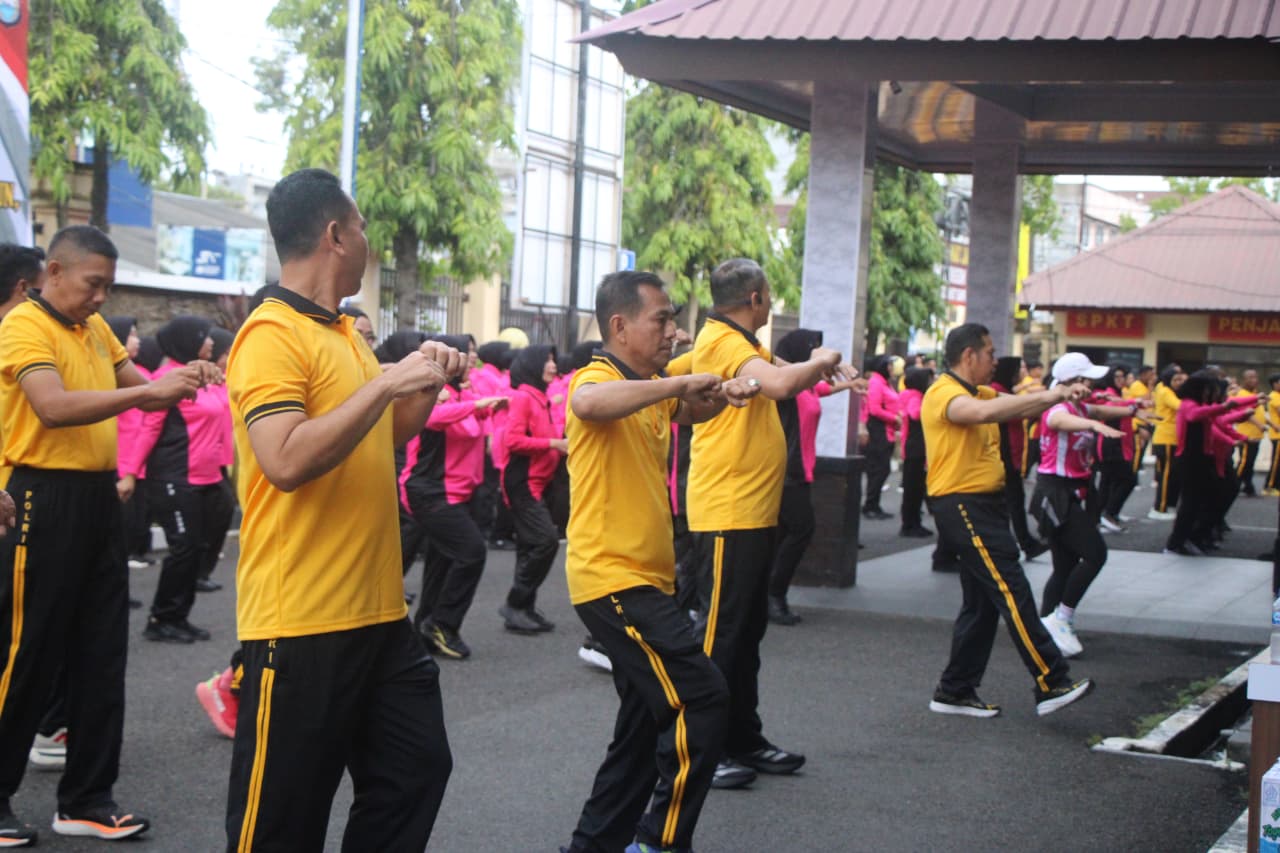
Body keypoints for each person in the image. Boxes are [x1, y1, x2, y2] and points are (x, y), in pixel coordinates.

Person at [224, 168, 458, 850]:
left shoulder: (344, 334)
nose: (367, 244)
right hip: (300, 621)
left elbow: (377, 435)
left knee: (416, 770)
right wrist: (387, 384)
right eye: (361, 230)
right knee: (280, 826)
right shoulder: (271, 334)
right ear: (335, 234)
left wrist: (426, 382)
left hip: (378, 616)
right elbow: (288, 458)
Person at [0, 225, 217, 843]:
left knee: (101, 650)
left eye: (108, 286)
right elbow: (53, 406)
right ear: (55, 271)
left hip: (96, 497)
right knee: (27, 650)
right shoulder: (23, 326)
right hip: (40, 493)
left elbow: (143, 398)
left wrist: (183, 380)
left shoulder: (91, 329)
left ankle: (87, 799)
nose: (101, 298)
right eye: (93, 284)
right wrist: (149, 390)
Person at [560, 270, 757, 853]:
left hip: (647, 581)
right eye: (663, 319)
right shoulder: (599, 378)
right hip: (614, 581)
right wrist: (676, 386)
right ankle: (660, 841)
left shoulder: (647, 386)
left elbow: (690, 411)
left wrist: (725, 395)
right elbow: (589, 403)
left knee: (642, 725)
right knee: (701, 696)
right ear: (619, 327)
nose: (675, 330)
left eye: (674, 319)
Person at [686, 258, 852, 789]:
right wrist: (821, 357)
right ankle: (700, 752)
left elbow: (779, 366)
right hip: (726, 510)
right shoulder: (722, 343)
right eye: (770, 294)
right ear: (756, 298)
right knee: (719, 639)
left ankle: (743, 738)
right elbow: (779, 384)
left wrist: (824, 368)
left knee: (746, 635)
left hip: (752, 511)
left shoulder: (742, 341)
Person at [924, 324, 1094, 719]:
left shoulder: (975, 390)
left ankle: (954, 690)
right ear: (969, 356)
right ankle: (1052, 680)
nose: (995, 361)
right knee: (1012, 590)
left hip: (983, 505)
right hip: (962, 505)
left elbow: (1015, 403)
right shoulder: (944, 394)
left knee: (982, 603)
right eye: (990, 353)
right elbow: (985, 412)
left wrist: (1060, 395)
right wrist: (1055, 393)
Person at [401, 333, 505, 659]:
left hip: (458, 493)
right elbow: (431, 419)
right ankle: (443, 624)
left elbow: (470, 424)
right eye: (465, 353)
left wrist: (486, 408)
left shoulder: (463, 391)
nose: (471, 358)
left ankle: (425, 628)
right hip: (429, 491)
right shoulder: (433, 390)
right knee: (472, 551)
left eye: (473, 353)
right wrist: (475, 406)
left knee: (442, 560)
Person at [1028, 354, 1133, 658]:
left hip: (1075, 492)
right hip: (1054, 493)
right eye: (1086, 379)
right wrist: (1094, 426)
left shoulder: (1081, 407)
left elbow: (1102, 409)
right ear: (1072, 382)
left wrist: (1135, 409)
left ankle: (1044, 629)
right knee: (1096, 554)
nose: (1091, 385)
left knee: (1065, 566)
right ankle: (1061, 618)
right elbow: (1058, 420)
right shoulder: (1058, 408)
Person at [767, 328, 863, 624]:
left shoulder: (806, 386)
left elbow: (821, 388)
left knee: (786, 533)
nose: (817, 353)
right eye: (812, 349)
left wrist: (849, 385)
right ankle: (773, 595)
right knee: (801, 529)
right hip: (787, 471)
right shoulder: (787, 386)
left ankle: (769, 595)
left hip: (802, 469)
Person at [499, 344, 567, 633]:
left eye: (553, 359)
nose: (553, 365)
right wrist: (554, 444)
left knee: (530, 545)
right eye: (548, 361)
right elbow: (512, 440)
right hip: (523, 481)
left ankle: (523, 608)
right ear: (533, 365)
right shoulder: (524, 398)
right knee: (545, 541)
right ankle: (515, 603)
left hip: (541, 481)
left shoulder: (542, 398)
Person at [1162, 371, 1256, 557]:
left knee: (1205, 500)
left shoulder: (1201, 405)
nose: (1209, 393)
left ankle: (1191, 538)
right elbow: (1198, 415)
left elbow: (1223, 414)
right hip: (1189, 460)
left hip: (1202, 459)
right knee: (1191, 504)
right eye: (1207, 390)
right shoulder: (1188, 405)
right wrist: (1228, 411)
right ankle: (1174, 544)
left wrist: (1252, 401)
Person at [991, 357, 1048, 560]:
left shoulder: (1005, 389)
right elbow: (1018, 410)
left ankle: (1020, 543)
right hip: (1004, 456)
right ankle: (1023, 543)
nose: (1022, 372)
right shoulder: (995, 390)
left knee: (1011, 502)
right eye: (1019, 368)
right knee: (1012, 502)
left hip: (1011, 455)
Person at [194, 326, 237, 593]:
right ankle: (195, 575)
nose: (229, 357)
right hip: (196, 466)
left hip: (220, 461)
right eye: (226, 353)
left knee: (222, 514)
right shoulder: (200, 381)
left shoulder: (224, 381)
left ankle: (202, 572)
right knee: (193, 533)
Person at [1095, 365, 1140, 533]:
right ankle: (1109, 514)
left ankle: (1101, 516)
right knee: (1128, 479)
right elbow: (1112, 406)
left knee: (1108, 483)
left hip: (1117, 443)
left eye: (1123, 376)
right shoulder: (1108, 394)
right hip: (1110, 444)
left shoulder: (1118, 394)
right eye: (1117, 376)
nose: (1121, 379)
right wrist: (1135, 404)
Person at [861, 355, 899, 520]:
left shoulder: (885, 382)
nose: (892, 368)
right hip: (878, 431)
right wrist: (894, 418)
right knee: (878, 469)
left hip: (886, 431)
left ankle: (874, 505)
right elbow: (874, 409)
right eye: (889, 365)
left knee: (882, 469)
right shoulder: (877, 382)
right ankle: (870, 505)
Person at [898, 366, 933, 538]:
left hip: (914, 447)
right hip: (915, 448)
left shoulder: (911, 395)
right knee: (914, 489)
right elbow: (915, 414)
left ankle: (912, 523)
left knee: (915, 489)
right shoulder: (916, 396)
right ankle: (910, 525)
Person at [1148, 364, 1186, 520]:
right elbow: (1181, 406)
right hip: (1166, 438)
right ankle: (1160, 508)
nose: (1179, 382)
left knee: (1172, 475)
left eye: (1180, 380)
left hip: (1172, 438)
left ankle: (1169, 504)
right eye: (1176, 379)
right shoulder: (1165, 391)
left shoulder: (1167, 390)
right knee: (1166, 475)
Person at [1233, 369, 1267, 497]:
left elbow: (1259, 412)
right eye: (1250, 377)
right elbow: (1244, 413)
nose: (1254, 380)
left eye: (1255, 377)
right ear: (1244, 380)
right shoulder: (1242, 394)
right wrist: (1260, 425)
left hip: (1256, 435)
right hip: (1247, 435)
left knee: (1250, 462)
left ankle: (1248, 486)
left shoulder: (1254, 394)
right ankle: (1233, 485)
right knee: (1244, 462)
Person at [1267, 372, 1280, 497]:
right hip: (1277, 435)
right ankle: (1269, 486)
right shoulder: (1274, 396)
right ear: (1275, 384)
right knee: (1276, 463)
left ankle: (1276, 486)